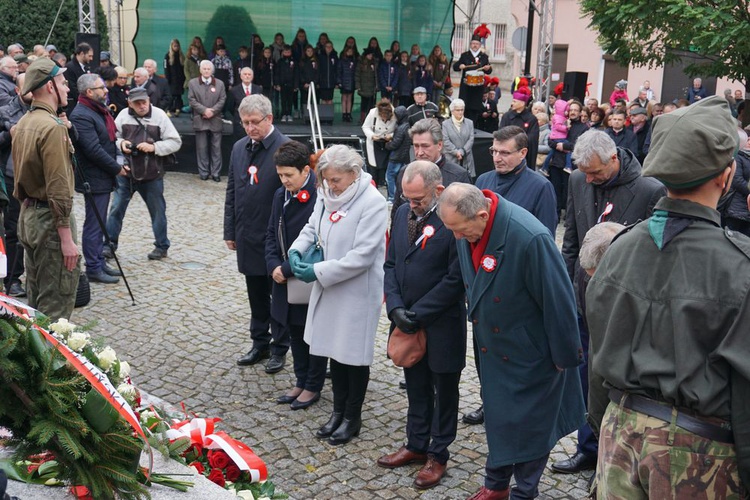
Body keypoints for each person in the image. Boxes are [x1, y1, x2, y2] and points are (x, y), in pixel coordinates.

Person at [586, 95, 750, 498]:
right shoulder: (740, 265)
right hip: (700, 454)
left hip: (618, 435)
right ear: (726, 177)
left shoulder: (616, 248)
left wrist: (606, 431)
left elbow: (596, 358)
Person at [438, 183, 585, 500]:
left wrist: (563, 357)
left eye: (460, 230)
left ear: (482, 214)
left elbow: (558, 300)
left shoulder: (529, 237)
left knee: (533, 425)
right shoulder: (469, 229)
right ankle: (496, 484)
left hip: (533, 353)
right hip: (495, 348)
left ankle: (524, 491)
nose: (457, 239)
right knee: (499, 417)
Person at [552, 129, 664, 476]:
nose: (590, 179)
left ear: (614, 158)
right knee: (586, 377)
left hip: (623, 307)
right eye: (584, 173)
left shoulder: (650, 189)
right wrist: (570, 292)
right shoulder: (578, 182)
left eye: (596, 172)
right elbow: (570, 238)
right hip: (584, 300)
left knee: (617, 380)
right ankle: (587, 448)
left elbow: (655, 255)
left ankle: (618, 455)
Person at [288, 144, 388, 446]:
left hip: (356, 291)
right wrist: (296, 250)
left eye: (337, 180)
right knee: (333, 350)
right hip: (329, 284)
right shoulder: (325, 195)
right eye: (327, 180)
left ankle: (351, 416)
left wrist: (318, 272)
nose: (331, 186)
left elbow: (363, 255)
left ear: (354, 174)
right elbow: (311, 226)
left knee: (352, 356)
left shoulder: (372, 202)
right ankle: (337, 411)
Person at [378, 161, 466, 490]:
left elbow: (456, 279)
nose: (411, 205)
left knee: (444, 391)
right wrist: (396, 308)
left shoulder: (453, 220)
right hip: (406, 321)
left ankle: (438, 454)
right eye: (406, 197)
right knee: (415, 385)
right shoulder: (401, 213)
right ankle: (416, 444)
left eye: (418, 199)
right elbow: (391, 264)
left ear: (438, 191)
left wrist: (419, 312)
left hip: (441, 323)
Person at [224, 94, 290, 373]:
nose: (250, 128)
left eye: (255, 122)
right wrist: (230, 229)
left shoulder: (285, 148)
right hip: (248, 233)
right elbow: (232, 191)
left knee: (279, 295)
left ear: (269, 119)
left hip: (275, 237)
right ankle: (259, 342)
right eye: (245, 123)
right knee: (256, 294)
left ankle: (280, 347)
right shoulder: (239, 148)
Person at [12, 58, 80, 321]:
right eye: (62, 83)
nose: (67, 89)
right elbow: (58, 186)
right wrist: (66, 238)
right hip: (49, 222)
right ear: (50, 87)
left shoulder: (25, 122)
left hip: (28, 216)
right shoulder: (52, 128)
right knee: (55, 310)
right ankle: (51, 361)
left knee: (37, 301)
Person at [265, 141, 326, 410]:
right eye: (280, 175)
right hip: (282, 276)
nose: (284, 180)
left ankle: (313, 385)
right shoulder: (281, 194)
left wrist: (286, 268)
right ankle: (300, 380)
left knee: (310, 332)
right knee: (293, 329)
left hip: (304, 275)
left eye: (289, 175)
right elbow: (270, 233)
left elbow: (316, 241)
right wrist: (272, 266)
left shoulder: (318, 196)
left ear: (305, 170)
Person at [106, 87, 182, 261]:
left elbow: (175, 141)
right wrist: (121, 143)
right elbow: (113, 139)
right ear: (130, 103)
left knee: (158, 211)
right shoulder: (123, 115)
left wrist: (154, 147)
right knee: (116, 209)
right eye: (137, 103)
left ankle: (162, 246)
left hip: (152, 173)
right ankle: (109, 246)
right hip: (126, 172)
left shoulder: (160, 115)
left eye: (144, 102)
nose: (142, 106)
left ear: (149, 100)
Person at [69, 73, 127, 284]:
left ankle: (99, 262)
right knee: (95, 223)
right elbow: (92, 149)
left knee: (100, 221)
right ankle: (93, 266)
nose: (106, 90)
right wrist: (116, 168)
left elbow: (108, 140)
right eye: (101, 87)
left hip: (102, 175)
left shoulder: (98, 109)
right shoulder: (81, 114)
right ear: (89, 92)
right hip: (93, 177)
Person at [391, 118, 470, 220]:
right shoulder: (405, 172)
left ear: (439, 145)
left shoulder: (458, 176)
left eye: (425, 146)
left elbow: (467, 219)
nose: (419, 152)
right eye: (416, 146)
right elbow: (396, 211)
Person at [0, 72, 29, 296]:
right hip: (13, 176)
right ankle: (13, 277)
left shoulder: (45, 108)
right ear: (18, 90)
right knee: (14, 230)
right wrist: (9, 135)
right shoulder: (5, 112)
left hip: (38, 177)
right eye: (26, 86)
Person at [187, 60, 226, 182]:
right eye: (204, 68)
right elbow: (191, 99)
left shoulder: (220, 84)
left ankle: (216, 173)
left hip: (216, 119)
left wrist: (212, 111)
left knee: (216, 147)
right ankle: (203, 172)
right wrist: (204, 110)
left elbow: (222, 99)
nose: (206, 71)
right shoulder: (193, 83)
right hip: (200, 118)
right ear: (200, 70)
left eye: (209, 69)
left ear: (212, 70)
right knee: (201, 147)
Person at [452, 35, 491, 123]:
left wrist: (488, 68)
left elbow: (489, 70)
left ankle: (473, 126)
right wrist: (460, 66)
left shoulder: (484, 57)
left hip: (478, 87)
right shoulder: (465, 55)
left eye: (476, 44)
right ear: (470, 44)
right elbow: (455, 67)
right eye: (473, 43)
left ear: (480, 45)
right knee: (464, 106)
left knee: (475, 108)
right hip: (466, 86)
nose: (475, 45)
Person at [499, 90, 540, 167]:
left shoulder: (531, 119)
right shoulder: (507, 116)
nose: (512, 104)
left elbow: (533, 137)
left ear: (522, 103)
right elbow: (501, 133)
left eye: (514, 101)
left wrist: (518, 141)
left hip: (523, 155)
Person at [361, 98, 397, 187]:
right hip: (374, 143)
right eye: (382, 116)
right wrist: (372, 135)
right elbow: (365, 127)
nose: (384, 118)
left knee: (387, 168)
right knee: (373, 168)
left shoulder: (395, 113)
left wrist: (391, 135)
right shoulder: (372, 113)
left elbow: (400, 130)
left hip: (388, 143)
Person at [441, 98, 475, 178]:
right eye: (458, 110)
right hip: (451, 158)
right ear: (452, 111)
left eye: (462, 110)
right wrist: (456, 152)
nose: (460, 112)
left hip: (466, 158)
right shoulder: (445, 124)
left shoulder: (470, 123)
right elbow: (445, 140)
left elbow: (471, 139)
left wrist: (462, 151)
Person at [384, 106, 411, 202]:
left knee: (389, 177)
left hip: (396, 157)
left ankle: (392, 197)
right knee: (401, 178)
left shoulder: (401, 128)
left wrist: (387, 145)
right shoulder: (407, 126)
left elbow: (395, 144)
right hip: (404, 157)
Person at [228, 67, 263, 139]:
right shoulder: (234, 90)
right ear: (241, 76)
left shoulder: (258, 89)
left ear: (252, 77)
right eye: (245, 74)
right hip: (239, 125)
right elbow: (230, 107)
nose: (247, 76)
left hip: (255, 124)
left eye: (249, 74)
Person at [65, 43, 93, 114]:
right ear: (82, 54)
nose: (91, 59)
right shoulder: (70, 67)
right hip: (75, 106)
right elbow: (73, 88)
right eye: (89, 56)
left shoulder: (87, 67)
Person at [164, 39, 186, 115]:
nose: (176, 47)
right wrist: (168, 79)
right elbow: (166, 68)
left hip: (179, 79)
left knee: (178, 95)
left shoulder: (181, 56)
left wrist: (184, 79)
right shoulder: (167, 56)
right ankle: (168, 110)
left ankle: (177, 109)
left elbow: (184, 68)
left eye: (177, 46)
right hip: (171, 80)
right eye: (174, 46)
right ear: (171, 46)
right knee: (171, 96)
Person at [356, 50, 378, 123]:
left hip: (372, 87)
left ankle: (370, 119)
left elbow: (376, 76)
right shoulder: (361, 64)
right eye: (369, 55)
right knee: (364, 103)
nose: (370, 57)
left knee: (371, 104)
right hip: (363, 86)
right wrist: (358, 86)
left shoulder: (374, 63)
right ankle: (363, 118)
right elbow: (357, 75)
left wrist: (376, 86)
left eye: (371, 55)